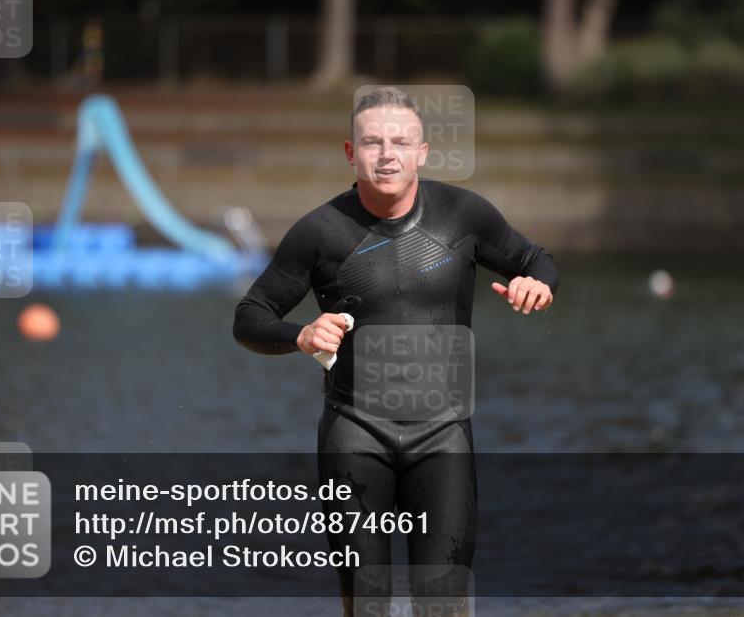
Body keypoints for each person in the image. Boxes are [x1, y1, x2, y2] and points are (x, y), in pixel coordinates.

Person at [233, 86, 559, 616]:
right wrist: (300, 335)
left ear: (422, 152)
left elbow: (536, 259)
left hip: (444, 435)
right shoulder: (319, 232)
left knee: (443, 605)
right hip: (355, 433)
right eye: (373, 143)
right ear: (350, 152)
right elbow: (249, 317)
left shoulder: (463, 216)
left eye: (401, 142)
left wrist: (537, 285)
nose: (387, 155)